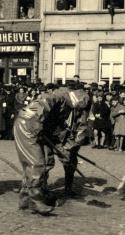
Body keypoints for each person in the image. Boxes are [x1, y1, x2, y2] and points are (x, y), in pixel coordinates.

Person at [13, 82, 89, 215]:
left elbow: (56, 126)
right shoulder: (60, 96)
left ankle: (25, 198)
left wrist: (64, 146)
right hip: (28, 126)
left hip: (35, 127)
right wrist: (38, 123)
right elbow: (43, 103)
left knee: (42, 162)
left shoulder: (66, 103)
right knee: (36, 164)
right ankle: (35, 201)